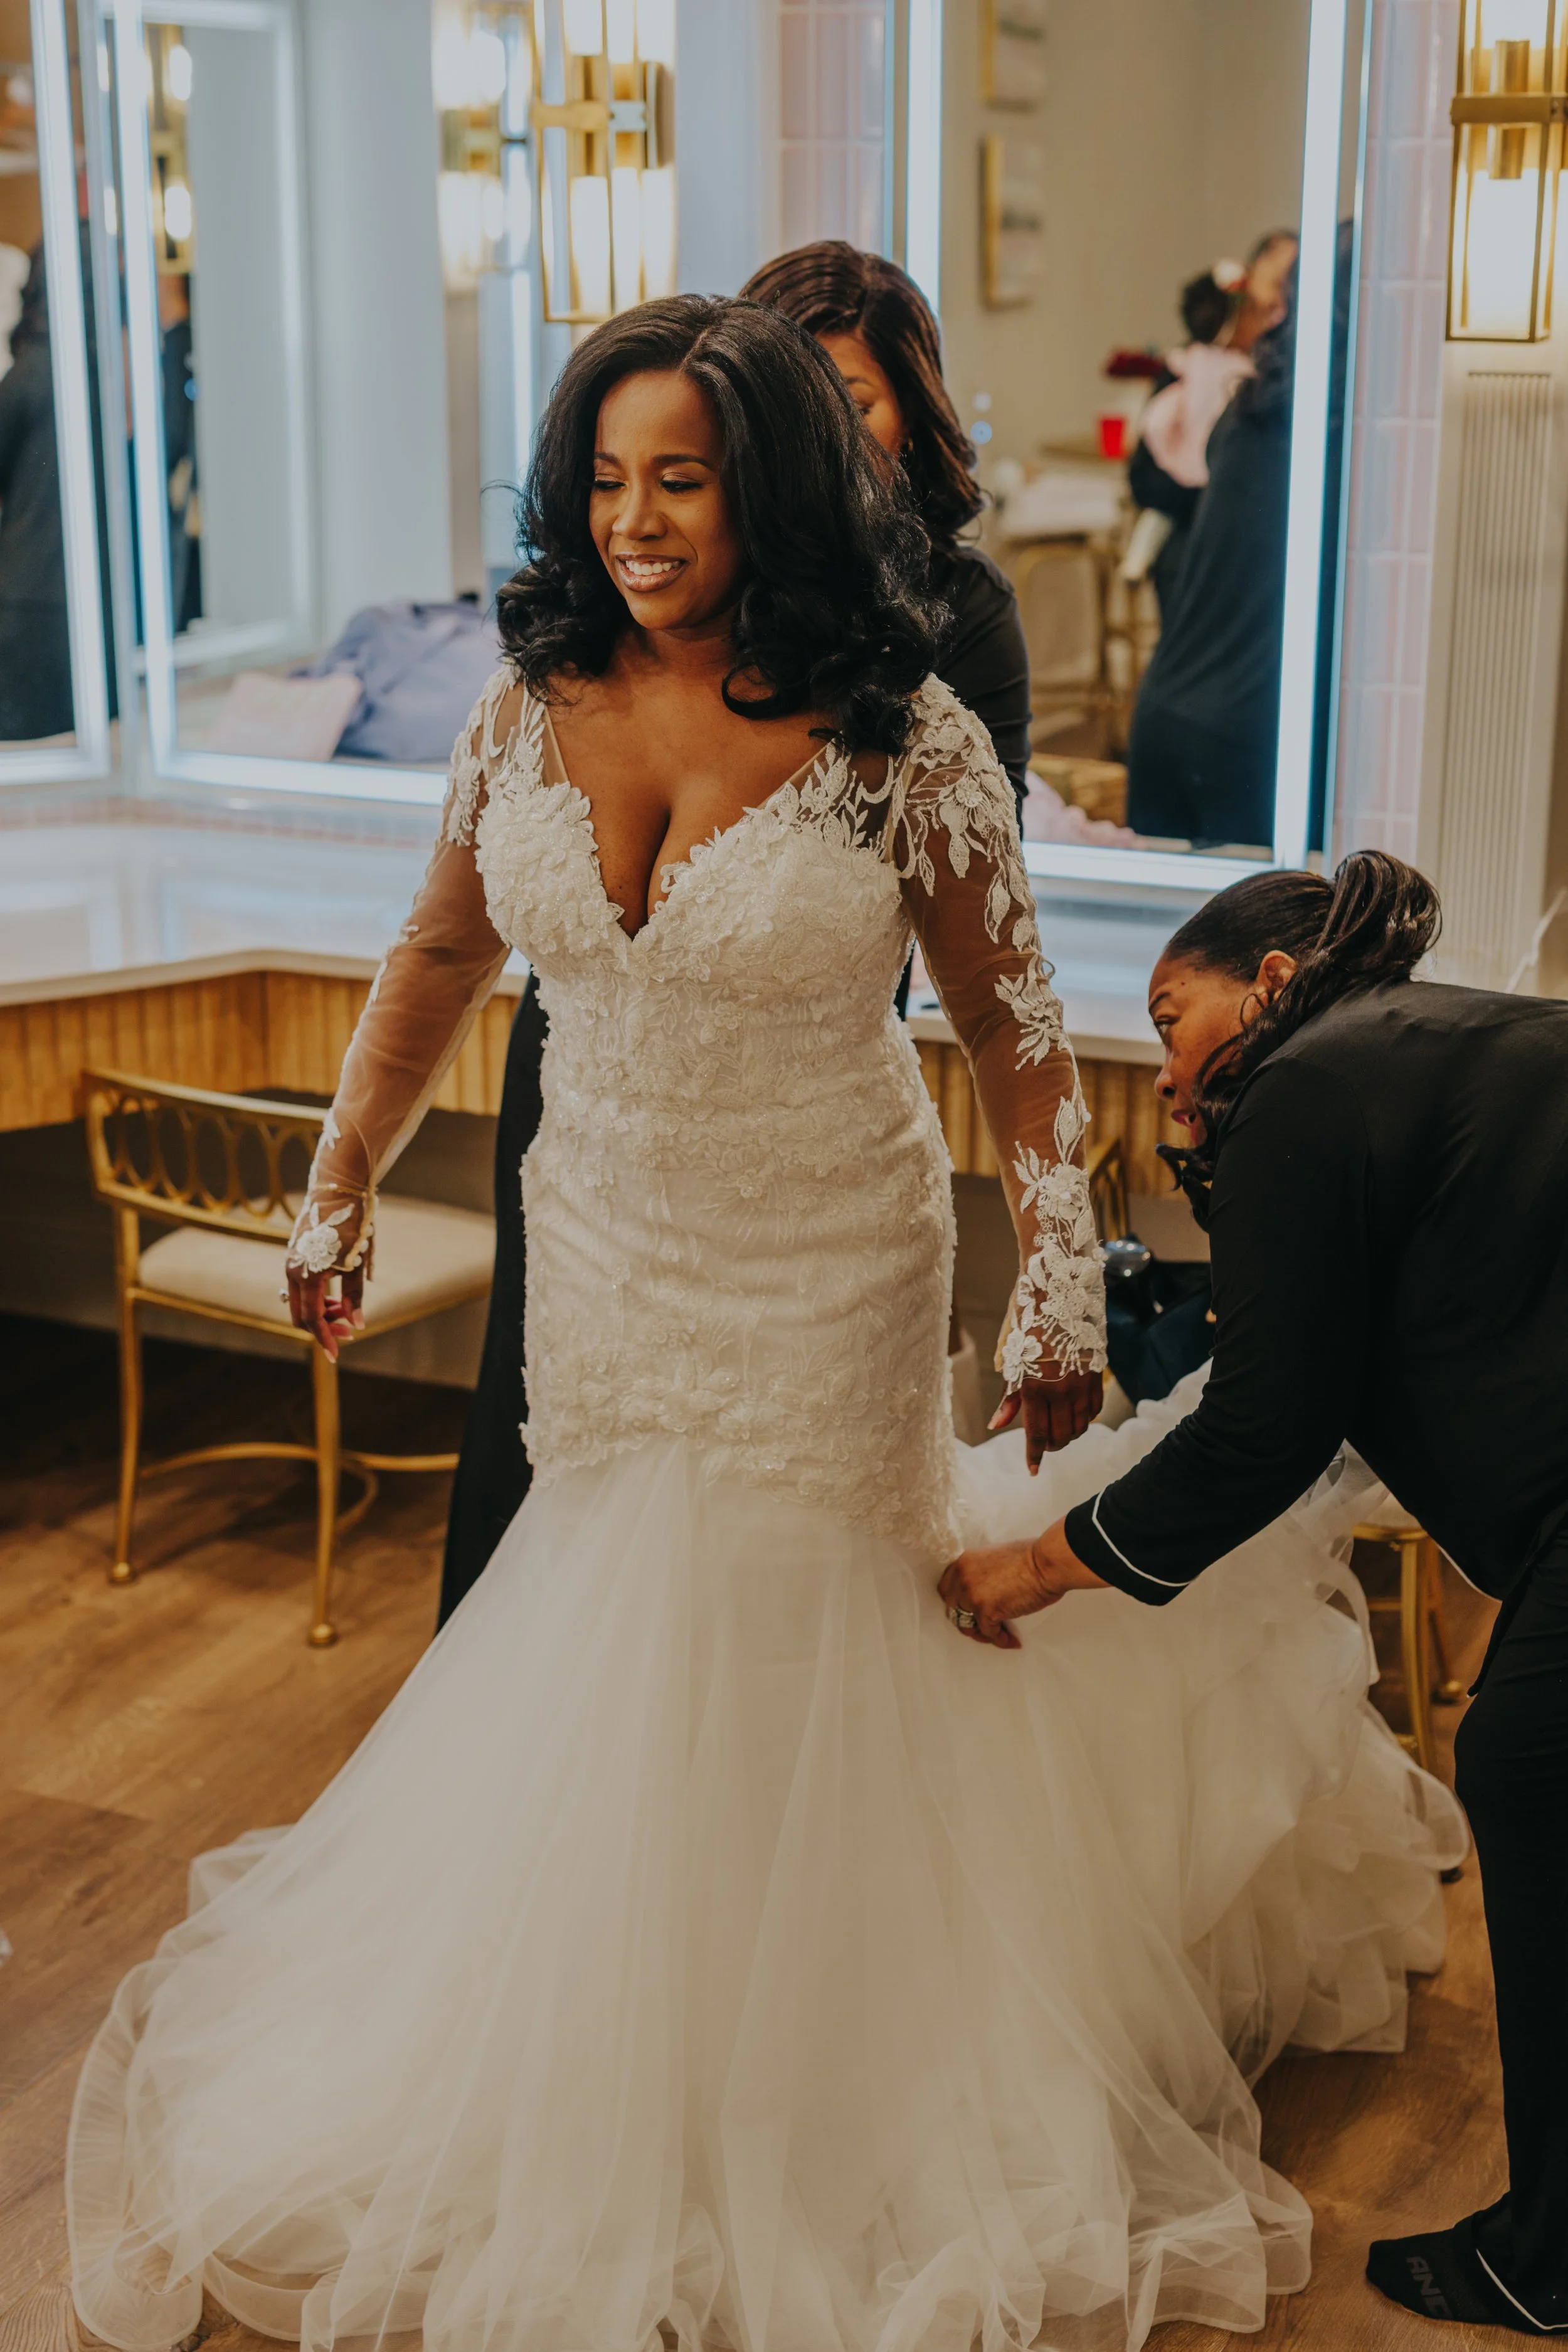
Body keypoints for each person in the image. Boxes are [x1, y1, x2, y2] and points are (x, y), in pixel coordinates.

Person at [69, 299, 1463, 2352]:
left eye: (684, 481)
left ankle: (820, 2073)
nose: (638, 521)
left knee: (799, 1634)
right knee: (606, 1622)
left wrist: (1064, 1263)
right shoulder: (529, 703)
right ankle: (587, 2046)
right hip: (607, 1245)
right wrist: (343, 1175)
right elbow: (442, 948)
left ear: (766, 490)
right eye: (610, 480)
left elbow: (1005, 1035)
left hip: (823, 1262)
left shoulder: (904, 735)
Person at [942, 850, 1568, 2338]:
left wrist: (1031, 1564)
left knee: (1530, 1768)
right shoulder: (1444, 1048)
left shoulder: (1311, 1086)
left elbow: (1265, 1428)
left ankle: (1546, 2256)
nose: (1164, 1073)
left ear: (1273, 985)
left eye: (1173, 1019)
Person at [437, 240, 1032, 1626]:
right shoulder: (567, 665)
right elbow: (442, 937)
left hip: (795, 1133)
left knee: (783, 1567)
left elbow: (980, 951)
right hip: (591, 1115)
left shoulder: (943, 639)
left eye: (850, 396)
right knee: (539, 1452)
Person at [1123, 253, 1298, 849]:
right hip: (1238, 724)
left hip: (1172, 707)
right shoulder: (1286, 421)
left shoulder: (1245, 410)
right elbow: (1144, 476)